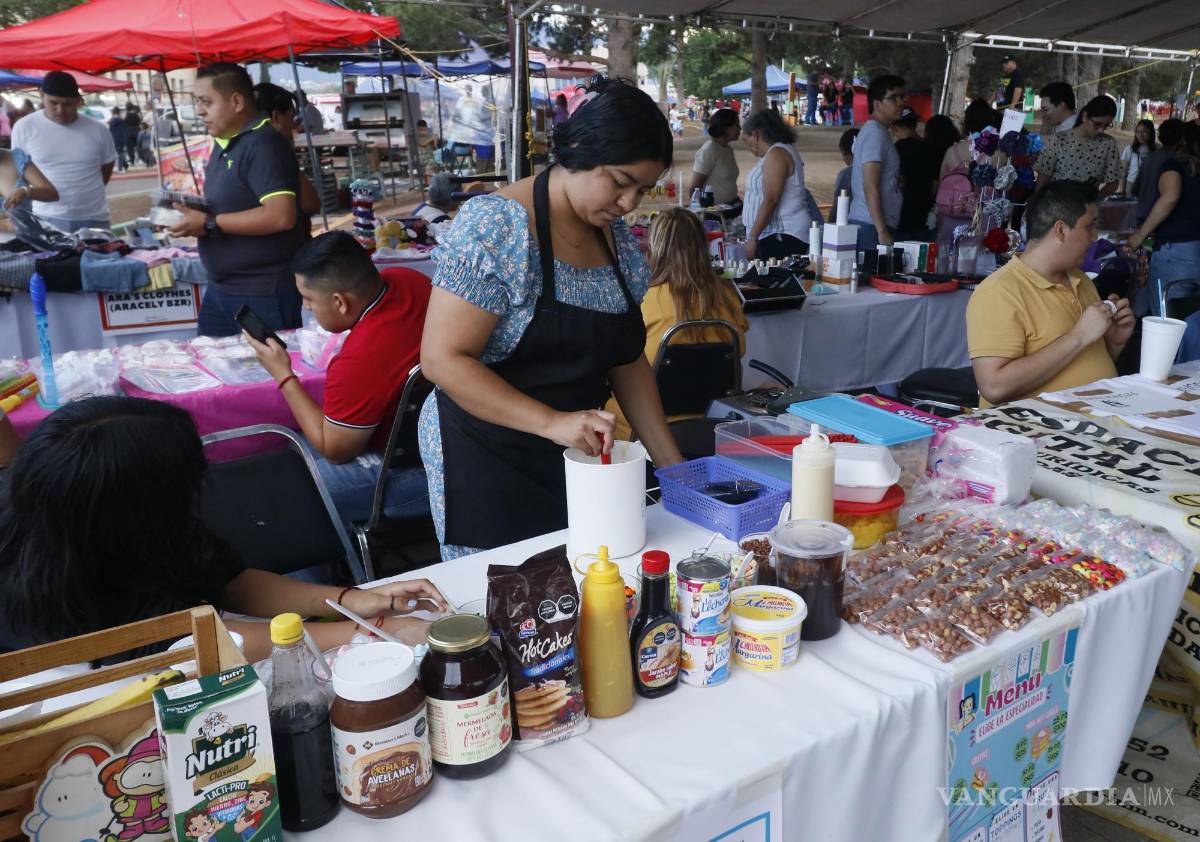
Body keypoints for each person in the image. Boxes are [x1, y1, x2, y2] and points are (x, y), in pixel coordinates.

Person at [417, 76, 684, 560]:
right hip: (487, 454)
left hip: (577, 456)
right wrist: (551, 422)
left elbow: (626, 361)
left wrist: (673, 472)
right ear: (578, 148)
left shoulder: (617, 241)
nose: (629, 204)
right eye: (621, 182)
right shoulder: (497, 226)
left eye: (642, 190)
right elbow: (442, 359)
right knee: (509, 604)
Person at [0, 397, 450, 661]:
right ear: (135, 511)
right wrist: (368, 634)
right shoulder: (59, 595)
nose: (200, 495)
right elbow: (204, 644)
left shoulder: (137, 527)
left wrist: (351, 600)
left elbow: (229, 579)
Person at [246, 232, 432, 531]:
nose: (306, 307)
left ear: (340, 302)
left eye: (308, 299)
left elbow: (336, 450)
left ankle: (318, 573)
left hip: (417, 474)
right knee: (288, 456)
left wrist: (283, 374)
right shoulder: (407, 279)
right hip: (450, 443)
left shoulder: (358, 362)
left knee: (281, 501)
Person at [966, 181, 1134, 407]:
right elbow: (994, 387)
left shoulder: (1080, 279)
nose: (1095, 237)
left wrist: (1113, 343)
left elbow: (1082, 368)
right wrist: (1079, 336)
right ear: (1061, 230)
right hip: (1038, 433)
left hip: (1100, 416)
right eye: (1089, 226)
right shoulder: (1000, 291)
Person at [170, 63, 308, 336]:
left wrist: (210, 222)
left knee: (267, 375)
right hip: (223, 289)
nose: (199, 111)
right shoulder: (228, 144)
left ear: (236, 101)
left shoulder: (263, 145)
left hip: (262, 292)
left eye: (206, 102)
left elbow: (281, 215)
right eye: (197, 102)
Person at [606, 208, 749, 440]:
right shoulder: (727, 297)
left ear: (653, 249)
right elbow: (740, 351)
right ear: (702, 248)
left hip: (643, 425)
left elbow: (613, 364)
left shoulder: (641, 300)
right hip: (710, 420)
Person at [11, 71, 116, 232]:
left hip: (94, 217)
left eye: (67, 104)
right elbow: (19, 170)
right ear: (41, 96)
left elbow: (106, 168)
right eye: (53, 102)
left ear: (78, 102)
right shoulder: (24, 127)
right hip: (47, 217)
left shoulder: (99, 130)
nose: (60, 110)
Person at [1127, 122, 1200, 317]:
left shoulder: (1175, 164)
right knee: (1193, 322)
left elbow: (1170, 197)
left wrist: (1140, 235)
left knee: (1167, 321)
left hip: (1177, 250)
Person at [741, 109, 812, 260]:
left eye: (746, 140)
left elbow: (771, 199)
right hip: (776, 233)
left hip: (783, 233)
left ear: (755, 135)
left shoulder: (777, 154)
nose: (748, 147)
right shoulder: (777, 152)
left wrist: (753, 236)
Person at [848, 74, 905, 251]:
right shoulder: (875, 134)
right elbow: (870, 185)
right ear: (877, 104)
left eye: (902, 97)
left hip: (873, 224)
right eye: (893, 98)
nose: (900, 102)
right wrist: (881, 230)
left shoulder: (880, 132)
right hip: (870, 226)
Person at [253, 82, 322, 225]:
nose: (293, 125)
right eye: (291, 118)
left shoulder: (235, 148)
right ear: (276, 118)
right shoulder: (275, 152)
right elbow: (311, 205)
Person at [1035, 95, 1121, 197]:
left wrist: (1092, 201)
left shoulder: (1108, 144)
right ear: (1085, 116)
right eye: (1097, 124)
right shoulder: (1058, 141)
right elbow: (1042, 183)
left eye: (1106, 126)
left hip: (1087, 209)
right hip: (1056, 207)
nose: (1101, 130)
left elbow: (1113, 184)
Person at [892, 107, 939, 241]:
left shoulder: (897, 149)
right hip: (923, 212)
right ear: (915, 124)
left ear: (895, 128)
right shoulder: (930, 148)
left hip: (901, 214)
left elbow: (899, 180)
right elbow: (935, 182)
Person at [687, 107, 741, 216]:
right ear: (726, 128)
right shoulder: (709, 150)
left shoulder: (728, 149)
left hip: (733, 208)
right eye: (737, 125)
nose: (740, 129)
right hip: (716, 214)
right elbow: (695, 190)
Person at [828, 128, 859, 222]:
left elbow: (837, 205)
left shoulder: (846, 174)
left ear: (844, 152)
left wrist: (830, 223)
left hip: (850, 221)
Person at [1120, 119, 1156, 196]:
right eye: (1138, 132)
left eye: (1144, 132)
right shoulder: (1130, 148)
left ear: (1151, 133)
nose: (1140, 135)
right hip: (1131, 184)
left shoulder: (1157, 149)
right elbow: (1123, 172)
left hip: (1149, 185)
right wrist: (1122, 190)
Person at [108, 107, 130, 171]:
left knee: (118, 152)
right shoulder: (122, 120)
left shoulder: (111, 121)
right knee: (120, 152)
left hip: (114, 138)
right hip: (121, 138)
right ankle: (123, 166)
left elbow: (110, 130)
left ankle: (121, 167)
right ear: (119, 112)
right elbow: (125, 129)